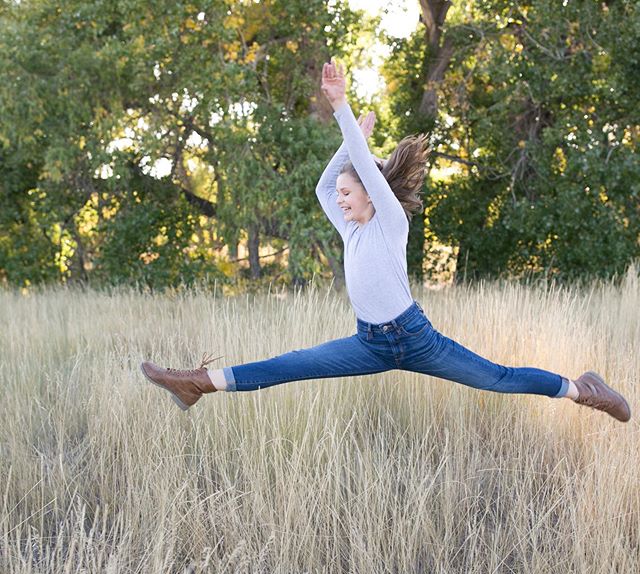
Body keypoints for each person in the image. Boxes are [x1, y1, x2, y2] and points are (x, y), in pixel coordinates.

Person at [141, 59, 631, 423]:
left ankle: (581, 389)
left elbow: (361, 169)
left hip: (415, 340)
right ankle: (196, 385)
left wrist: (342, 110)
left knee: (496, 378)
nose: (341, 200)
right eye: (342, 195)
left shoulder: (389, 221)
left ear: (373, 195)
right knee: (288, 365)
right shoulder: (350, 229)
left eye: (350, 192)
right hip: (369, 344)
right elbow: (322, 185)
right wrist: (348, 146)